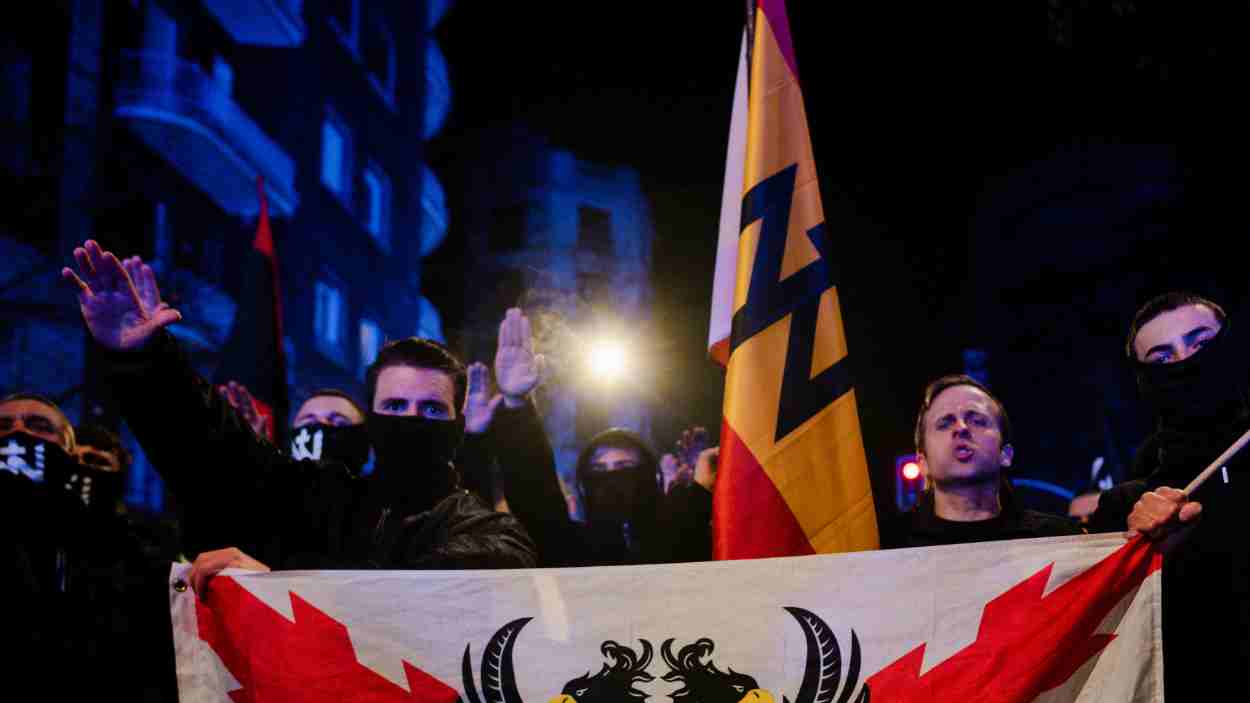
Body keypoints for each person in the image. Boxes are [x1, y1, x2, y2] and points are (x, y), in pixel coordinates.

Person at [62, 241, 536, 593]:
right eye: (394, 407)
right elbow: (214, 453)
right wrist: (145, 359)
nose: (411, 420)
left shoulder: (487, 531)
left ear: (455, 427)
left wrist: (286, 591)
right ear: (371, 418)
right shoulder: (317, 498)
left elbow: (453, 586)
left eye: (431, 409)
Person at [1086, 292, 1249, 700]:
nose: (1186, 362)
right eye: (1162, 359)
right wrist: (1144, 553)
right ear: (1144, 380)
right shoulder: (1126, 505)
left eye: (1201, 344)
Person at [459, 308, 714, 566]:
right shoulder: (570, 549)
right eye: (599, 470)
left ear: (649, 475)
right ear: (584, 484)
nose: (612, 479)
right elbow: (536, 497)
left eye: (625, 467)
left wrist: (696, 494)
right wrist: (516, 405)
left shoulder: (682, 541)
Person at [880, 374, 1084, 548]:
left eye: (977, 421)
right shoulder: (885, 547)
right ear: (922, 463)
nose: (961, 428)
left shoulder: (1059, 541)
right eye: (944, 424)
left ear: (1006, 454)